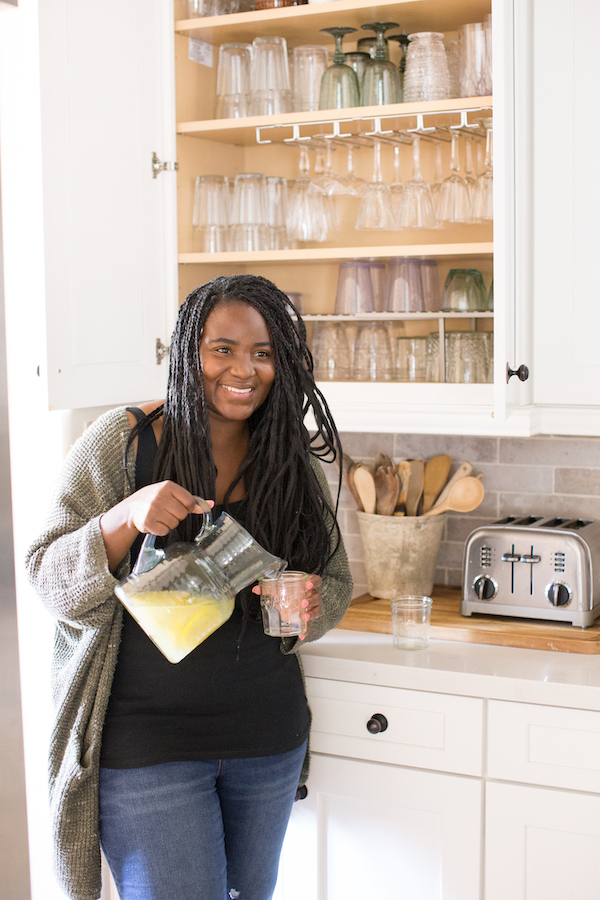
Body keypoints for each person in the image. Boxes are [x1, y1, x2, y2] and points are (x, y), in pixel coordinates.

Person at [26, 274, 353, 900]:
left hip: (266, 738)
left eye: (263, 353)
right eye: (222, 349)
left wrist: (312, 601)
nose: (244, 369)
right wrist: (123, 518)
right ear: (186, 353)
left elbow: (334, 584)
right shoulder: (123, 444)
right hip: (146, 744)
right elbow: (47, 577)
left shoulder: (290, 462)